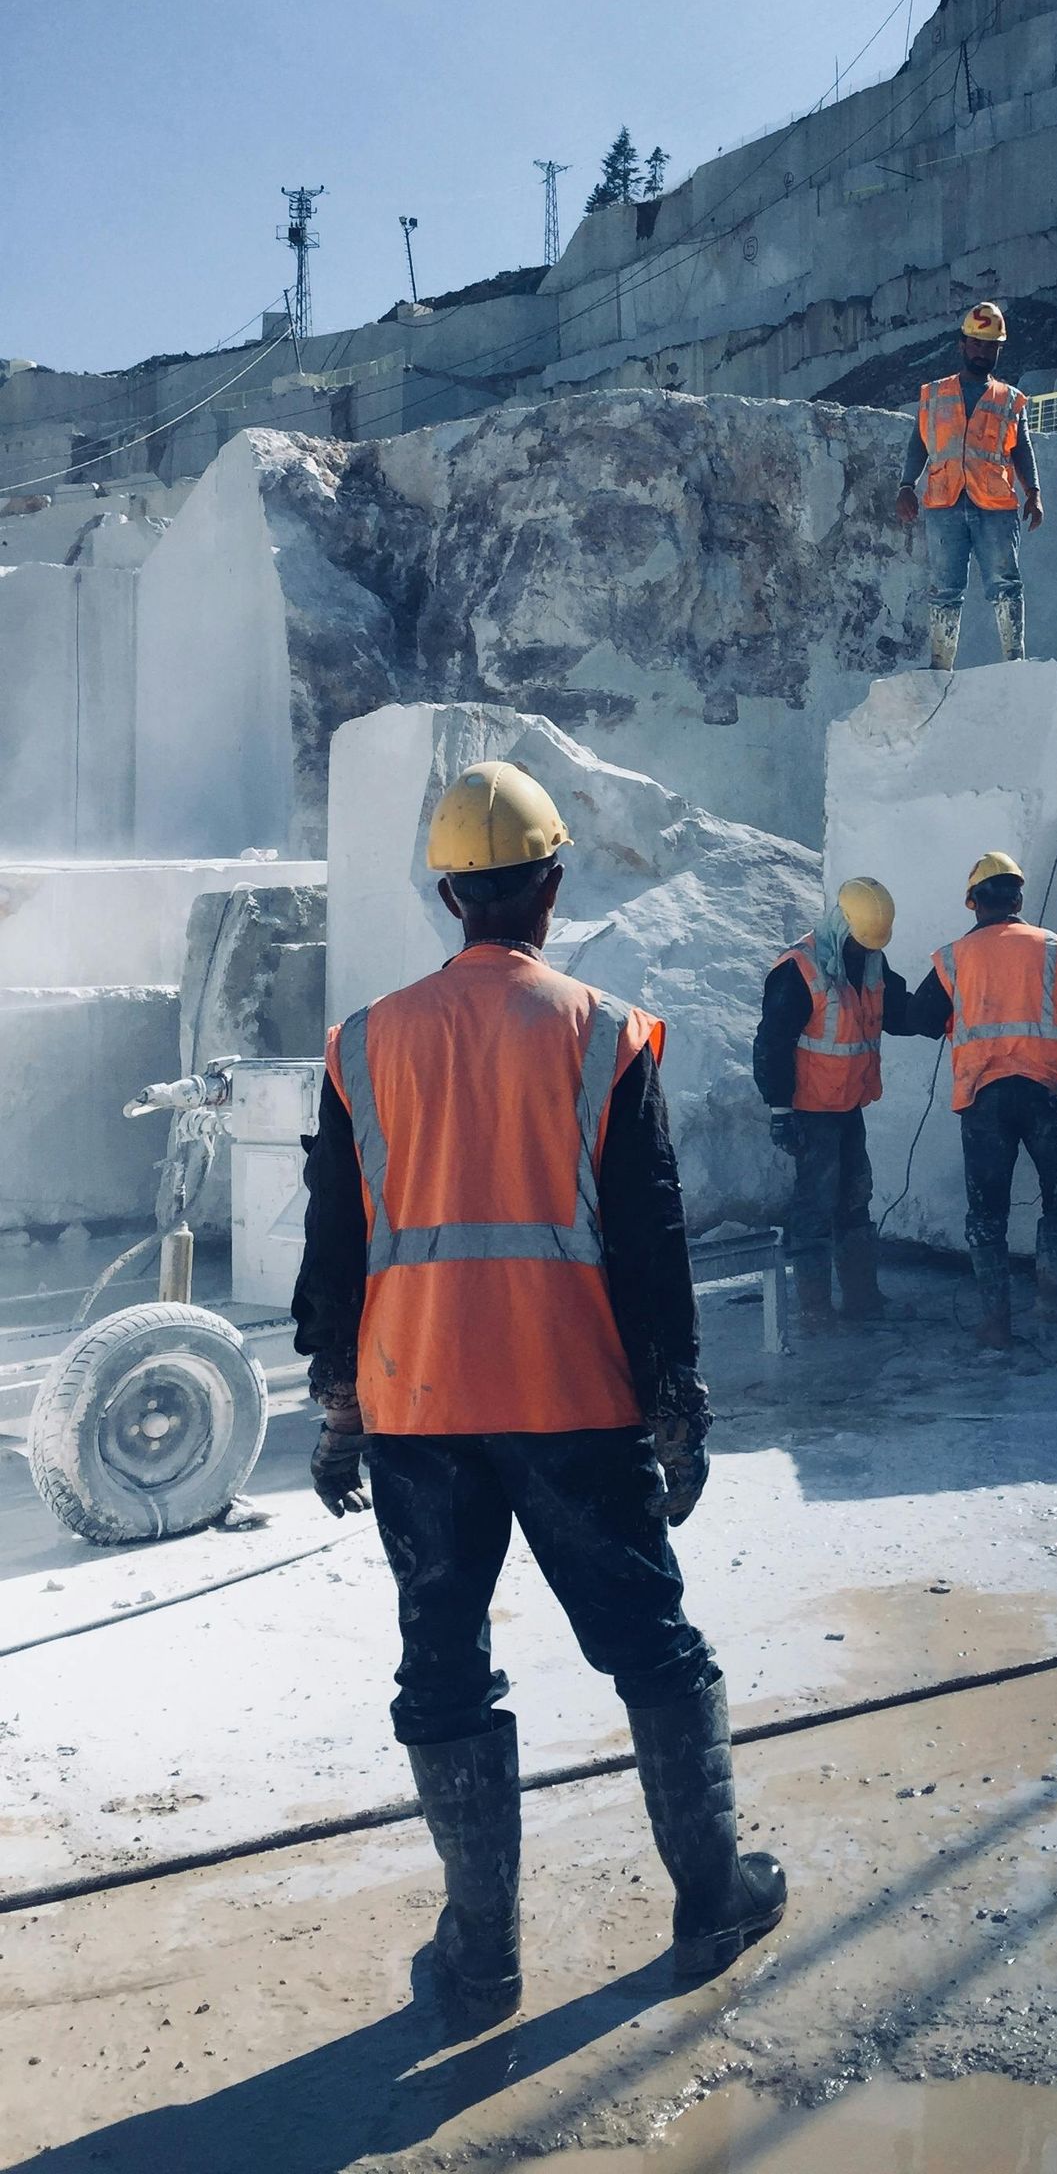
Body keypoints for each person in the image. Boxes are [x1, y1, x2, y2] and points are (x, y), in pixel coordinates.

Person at [291, 760, 784, 2021]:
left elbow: (335, 1251)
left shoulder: (362, 1042)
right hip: (573, 1398)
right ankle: (712, 1894)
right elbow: (649, 1232)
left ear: (451, 892)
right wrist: (675, 1399)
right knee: (653, 1649)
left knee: (445, 1671)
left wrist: (340, 1408)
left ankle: (483, 1955)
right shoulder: (603, 1031)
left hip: (416, 1413)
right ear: (550, 888)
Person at [902, 851, 1057, 1352]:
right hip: (1047, 1093)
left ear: (974, 904)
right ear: (1017, 898)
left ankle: (995, 1323)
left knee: (986, 1211)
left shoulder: (953, 958)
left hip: (983, 1099)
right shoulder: (1052, 948)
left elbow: (922, 1020)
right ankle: (1053, 1311)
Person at [753, 875, 919, 1329]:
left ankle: (863, 1298)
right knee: (815, 1203)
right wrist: (781, 1110)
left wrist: (945, 1009)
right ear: (841, 925)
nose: (865, 951)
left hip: (847, 1108)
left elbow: (899, 1013)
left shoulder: (870, 963)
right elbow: (772, 1042)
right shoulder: (800, 969)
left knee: (854, 1197)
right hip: (811, 1111)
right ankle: (814, 1308)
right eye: (860, 943)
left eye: (871, 946)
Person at [897, 300, 1044, 670]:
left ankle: (1014, 660)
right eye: (976, 343)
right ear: (962, 344)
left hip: (994, 505)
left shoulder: (1010, 400)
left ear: (999, 349)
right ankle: (940, 665)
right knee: (945, 588)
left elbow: (1022, 449)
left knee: (1005, 582)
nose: (982, 351)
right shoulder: (934, 394)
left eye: (990, 345)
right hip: (945, 502)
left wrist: (1035, 493)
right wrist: (905, 484)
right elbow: (919, 442)